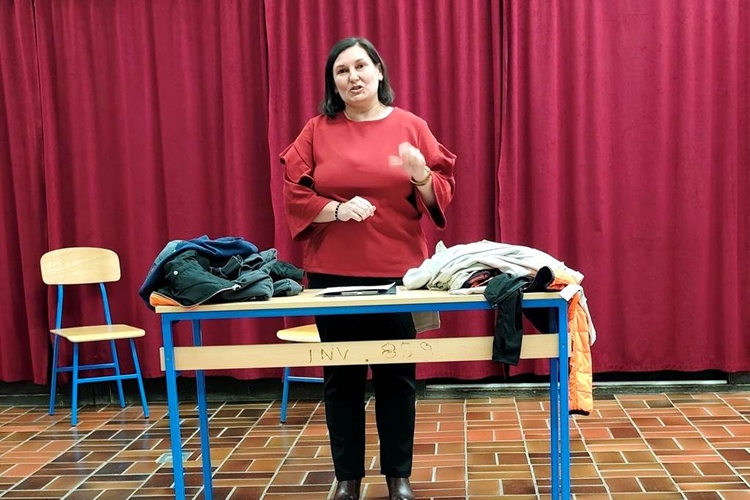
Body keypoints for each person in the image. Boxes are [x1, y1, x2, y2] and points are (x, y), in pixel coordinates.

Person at [280, 36, 456, 500]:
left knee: (397, 377)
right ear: (333, 83)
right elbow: (294, 194)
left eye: (361, 66)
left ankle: (398, 477)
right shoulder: (316, 130)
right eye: (342, 71)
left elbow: (441, 194)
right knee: (342, 379)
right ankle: (347, 480)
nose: (353, 77)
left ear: (379, 71)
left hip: (399, 276)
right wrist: (336, 210)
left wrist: (421, 175)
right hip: (333, 276)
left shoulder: (411, 126)